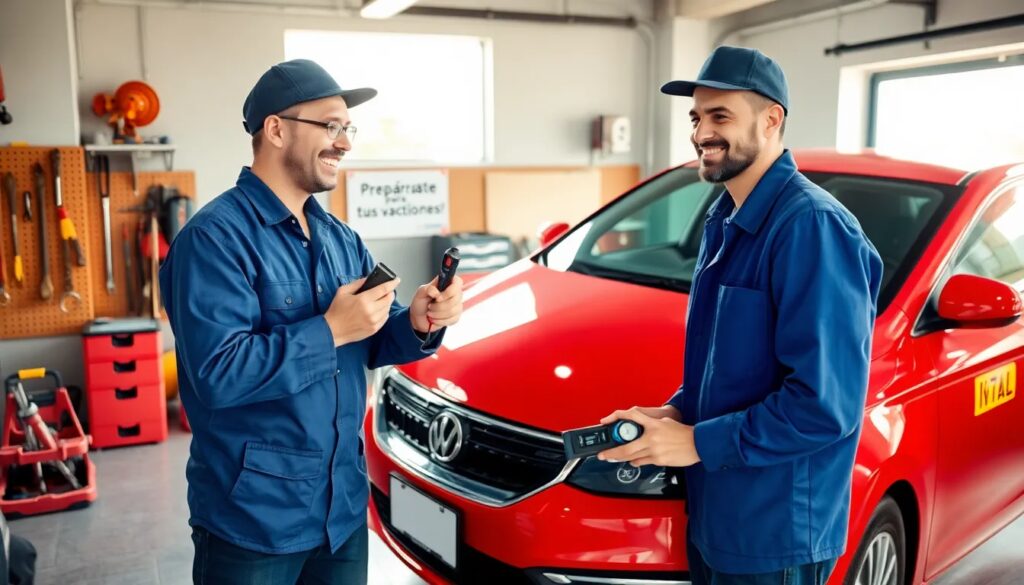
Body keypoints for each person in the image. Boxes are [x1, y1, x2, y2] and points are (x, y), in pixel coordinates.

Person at [159, 59, 464, 584]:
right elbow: (218, 374)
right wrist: (330, 330)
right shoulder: (213, 240)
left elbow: (369, 338)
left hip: (341, 509)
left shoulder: (340, 238)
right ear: (276, 130)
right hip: (253, 521)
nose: (344, 143)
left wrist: (416, 322)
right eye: (330, 126)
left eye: (348, 129)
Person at [597, 46, 882, 585]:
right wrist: (676, 412)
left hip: (775, 534)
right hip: (719, 513)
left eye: (720, 116)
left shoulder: (811, 228)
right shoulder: (726, 217)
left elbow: (824, 406)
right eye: (696, 117)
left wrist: (695, 442)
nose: (701, 132)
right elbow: (731, 368)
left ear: (771, 119)